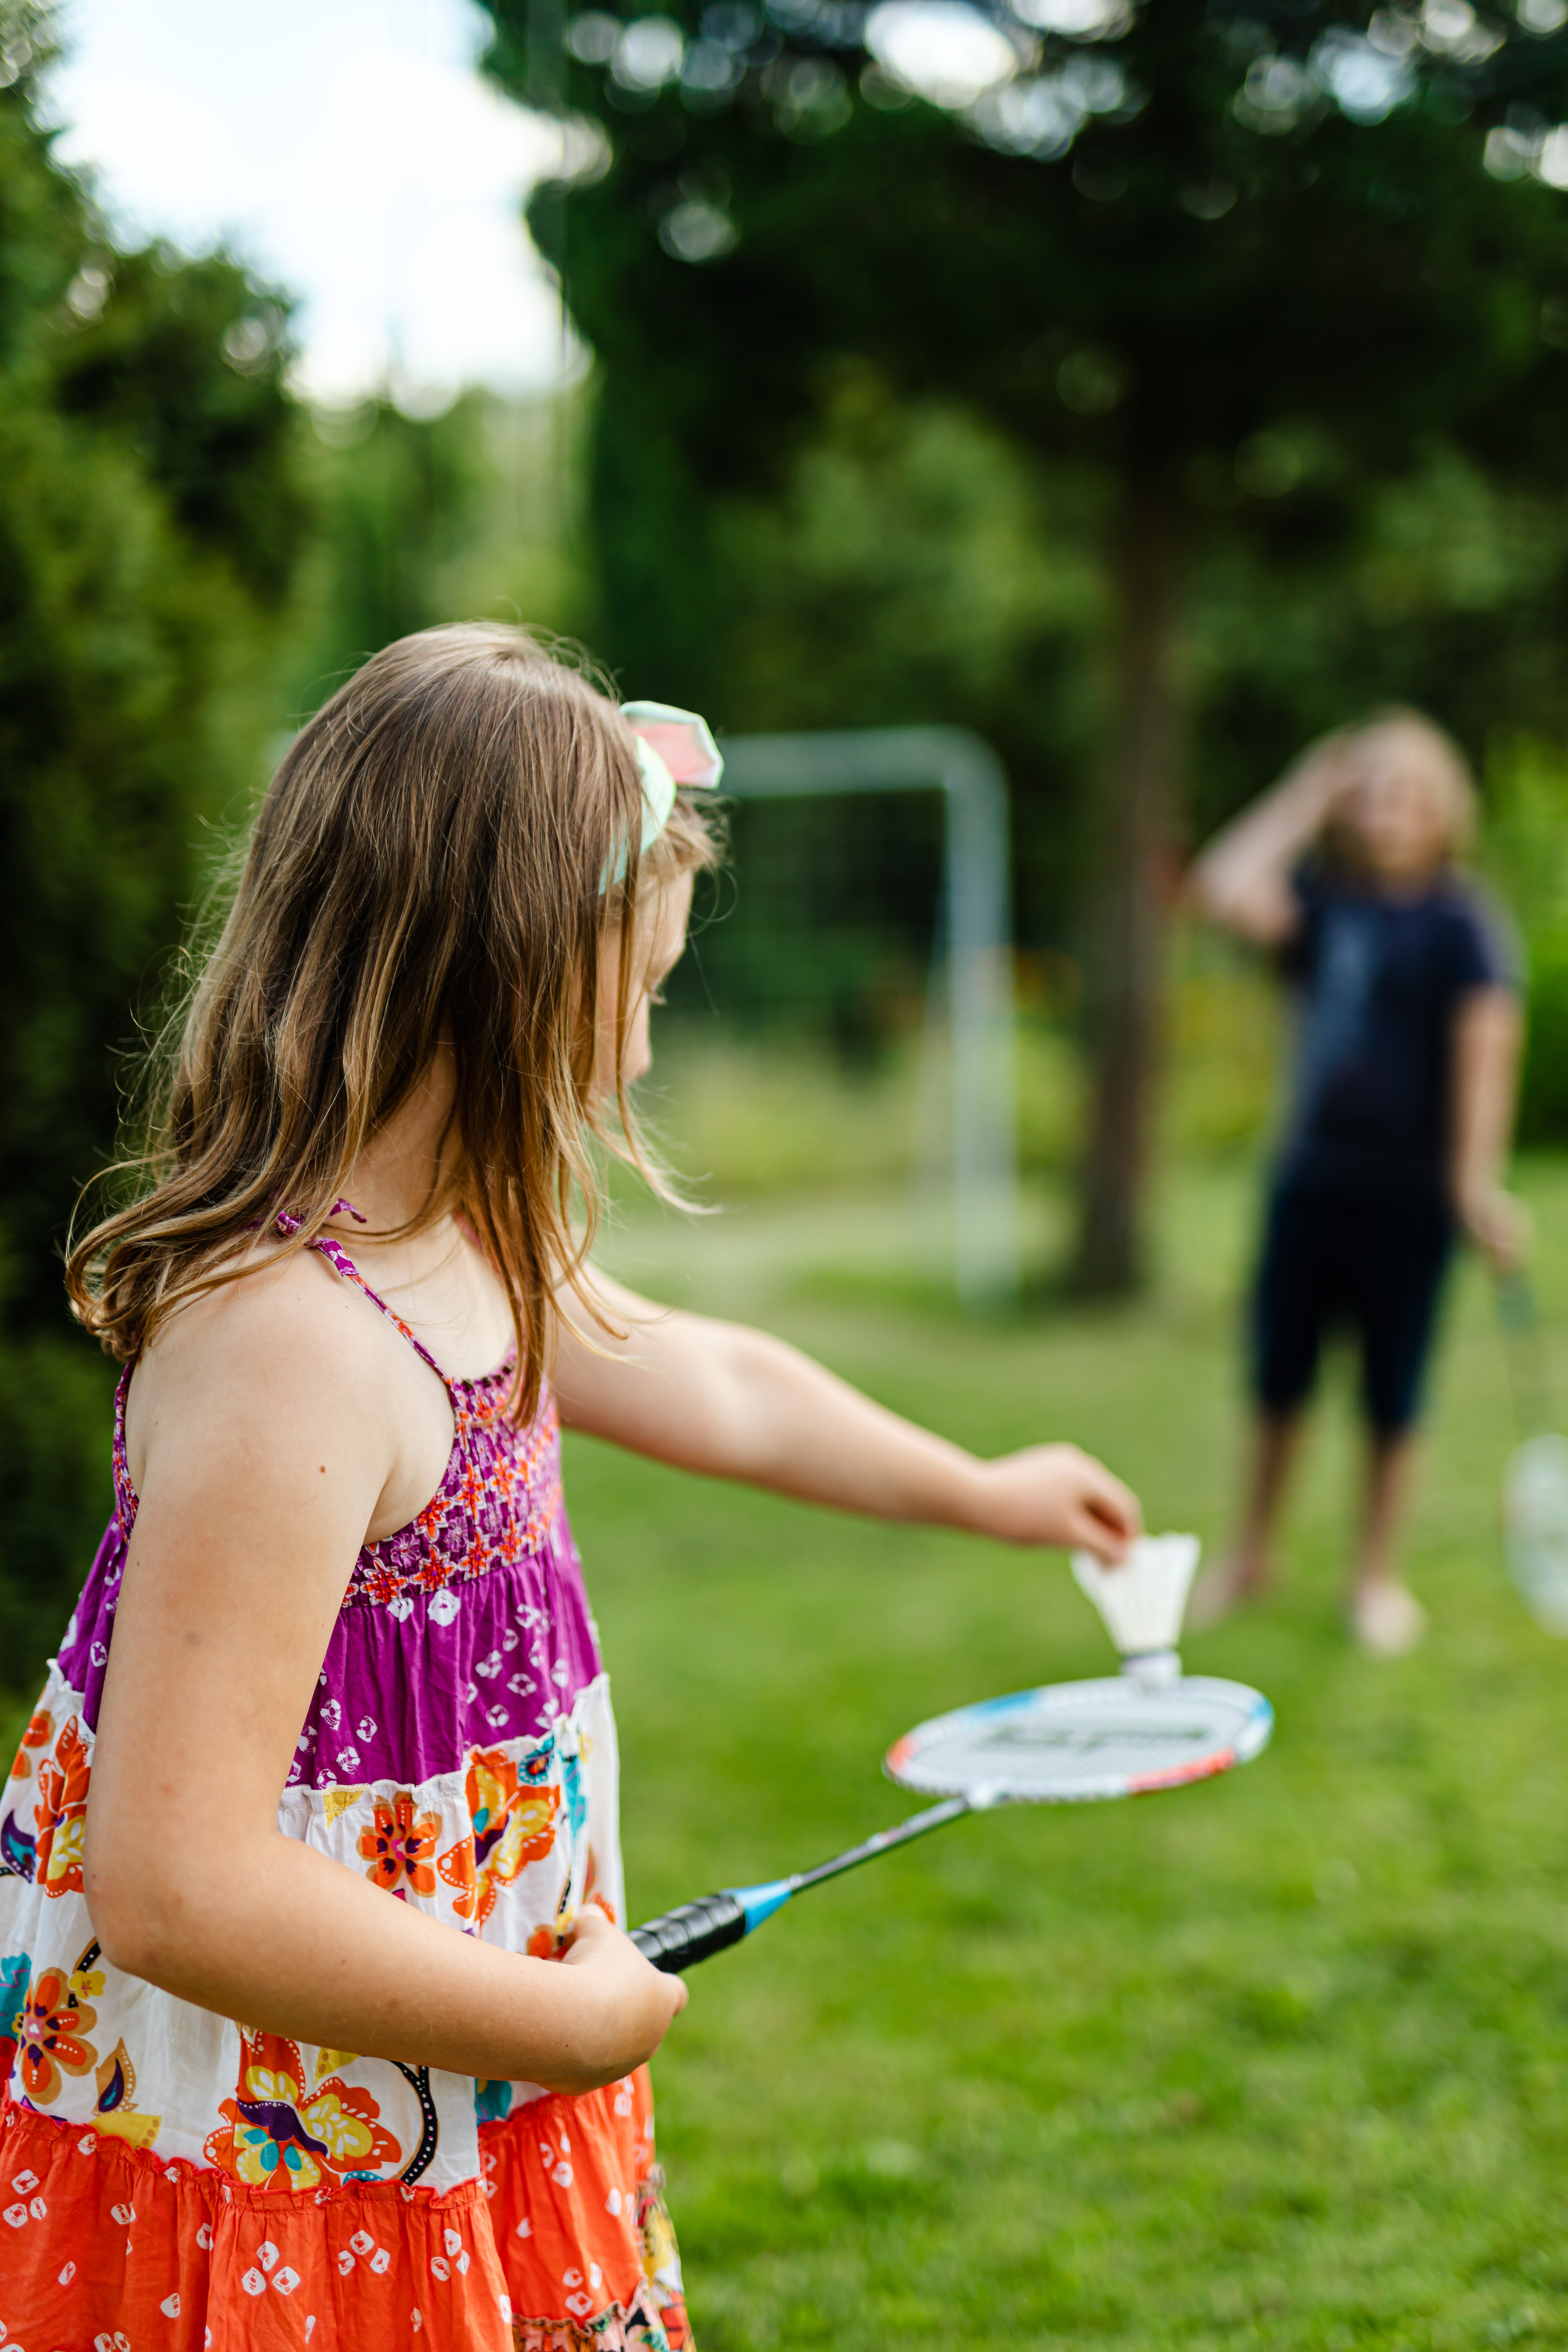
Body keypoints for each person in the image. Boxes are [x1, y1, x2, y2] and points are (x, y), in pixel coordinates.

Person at [0, 625, 1140, 2348]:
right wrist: (568, 2032)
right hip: (291, 2135)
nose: (652, 1051)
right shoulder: (293, 1349)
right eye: (650, 991)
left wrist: (980, 1486)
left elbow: (717, 1381)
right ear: (515, 973)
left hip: (459, 2066)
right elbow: (177, 1884)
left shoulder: (472, 1239)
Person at [1188, 708, 1524, 1656]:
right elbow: (1219, 886)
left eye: (1408, 791)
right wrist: (1303, 792)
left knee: (1392, 1393)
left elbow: (1485, 1062)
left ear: (1443, 808)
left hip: (1409, 1200)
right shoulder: (1320, 902)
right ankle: (1251, 1555)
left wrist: (1475, 1190)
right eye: (1371, 789)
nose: (1388, 810)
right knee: (1279, 1380)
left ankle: (1375, 1579)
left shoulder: (1465, 924)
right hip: (1310, 1181)